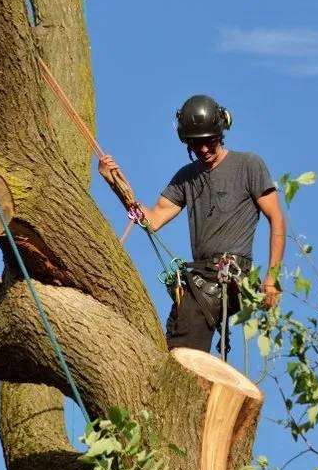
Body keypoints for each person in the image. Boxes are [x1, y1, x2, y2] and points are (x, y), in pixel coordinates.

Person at [99, 95, 286, 354]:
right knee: (178, 328)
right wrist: (115, 184)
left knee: (188, 331)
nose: (204, 150)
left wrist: (272, 278)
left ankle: (185, 381)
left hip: (230, 273)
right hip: (200, 275)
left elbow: (276, 219)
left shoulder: (248, 165)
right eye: (196, 145)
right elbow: (153, 219)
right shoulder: (187, 177)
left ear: (221, 133)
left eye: (209, 142)